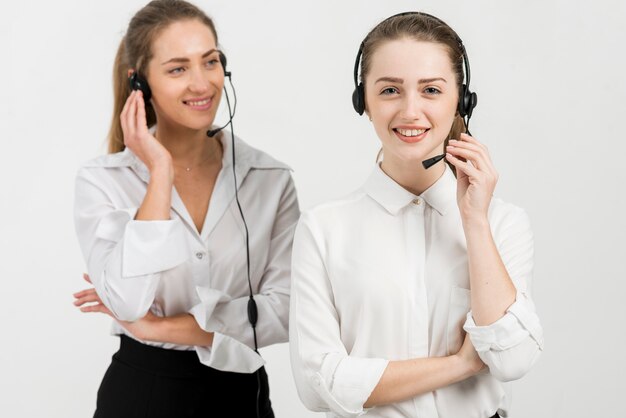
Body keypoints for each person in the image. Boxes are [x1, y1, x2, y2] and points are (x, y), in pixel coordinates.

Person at [289, 11, 543, 418]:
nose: (410, 111)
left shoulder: (503, 222)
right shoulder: (323, 229)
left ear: (460, 100)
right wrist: (459, 365)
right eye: (390, 90)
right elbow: (318, 385)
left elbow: (513, 360)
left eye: (430, 90)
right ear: (363, 102)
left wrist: (474, 220)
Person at [72, 1, 299, 417]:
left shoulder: (271, 178)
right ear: (139, 83)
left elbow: (285, 311)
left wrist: (161, 328)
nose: (202, 84)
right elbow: (127, 303)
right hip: (141, 393)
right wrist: (159, 171)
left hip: (241, 394)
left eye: (210, 62)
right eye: (178, 69)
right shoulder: (102, 180)